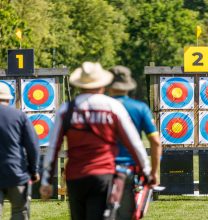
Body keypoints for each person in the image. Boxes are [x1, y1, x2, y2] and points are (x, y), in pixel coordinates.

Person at [40, 61, 152, 220]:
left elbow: (53, 148)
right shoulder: (112, 107)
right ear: (102, 85)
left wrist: (46, 180)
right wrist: (146, 171)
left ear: (79, 85)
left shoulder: (67, 109)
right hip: (103, 174)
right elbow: (133, 143)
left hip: (75, 176)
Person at [109, 65, 162, 220]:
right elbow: (156, 142)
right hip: (129, 171)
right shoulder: (140, 108)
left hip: (101, 169)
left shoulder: (99, 107)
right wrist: (154, 172)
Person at [0, 83, 40, 220]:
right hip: (16, 174)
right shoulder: (19, 116)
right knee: (19, 212)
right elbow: (33, 146)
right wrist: (34, 171)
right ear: (9, 99)